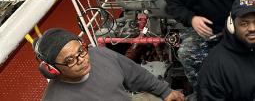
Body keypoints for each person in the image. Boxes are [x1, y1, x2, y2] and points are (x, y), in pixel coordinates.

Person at [37, 28, 184, 101]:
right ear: (53, 70)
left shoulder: (99, 54)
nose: (81, 59)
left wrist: (165, 91)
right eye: (70, 60)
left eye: (81, 51)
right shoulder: (55, 98)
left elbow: (135, 74)